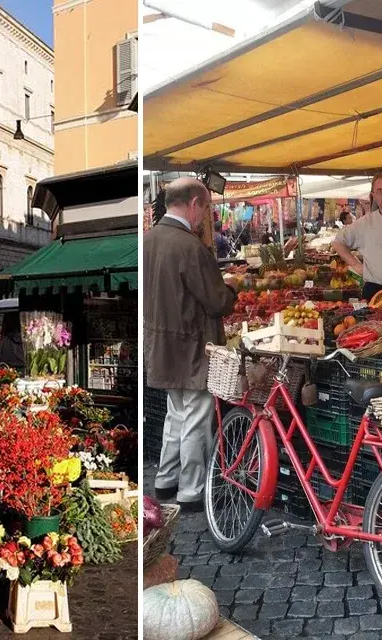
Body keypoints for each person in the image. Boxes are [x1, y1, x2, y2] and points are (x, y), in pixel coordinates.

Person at [143, 177, 236, 512]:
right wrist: (233, 290)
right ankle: (192, 491)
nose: (204, 216)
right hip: (191, 347)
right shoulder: (189, 246)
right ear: (194, 203)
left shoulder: (148, 240)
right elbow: (216, 302)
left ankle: (165, 481)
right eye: (206, 208)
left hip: (161, 345)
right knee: (196, 418)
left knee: (176, 415)